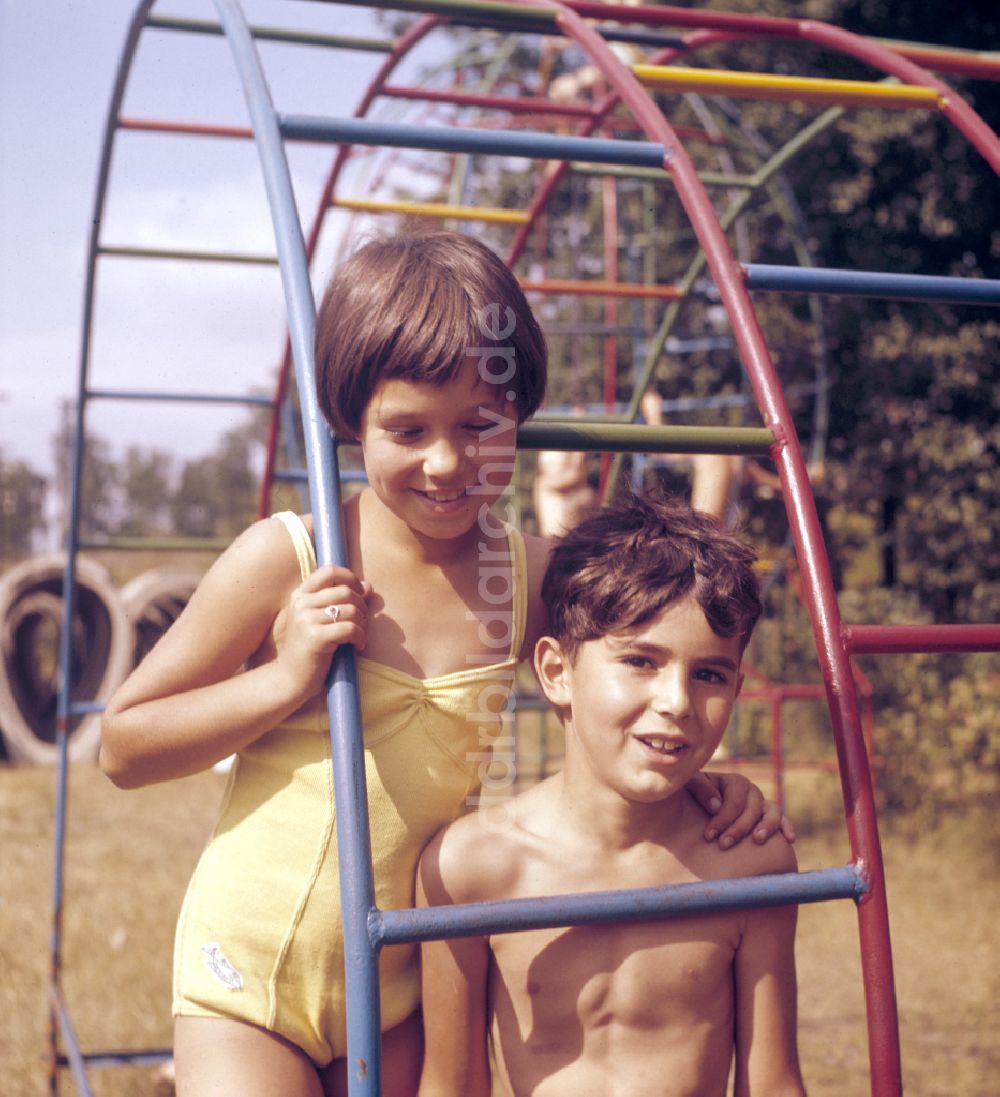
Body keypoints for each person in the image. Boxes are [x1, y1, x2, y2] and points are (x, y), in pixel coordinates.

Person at [99, 230, 790, 1097]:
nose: (447, 462)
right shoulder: (293, 556)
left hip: (397, 980)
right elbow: (123, 747)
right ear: (351, 418)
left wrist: (708, 784)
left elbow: (657, 648)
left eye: (480, 427)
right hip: (249, 978)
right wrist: (281, 680)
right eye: (408, 429)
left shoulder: (530, 574)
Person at [417, 490, 804, 1097]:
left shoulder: (752, 863)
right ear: (555, 672)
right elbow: (450, 1086)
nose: (677, 702)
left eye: (709, 674)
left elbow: (774, 1082)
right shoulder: (471, 869)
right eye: (641, 661)